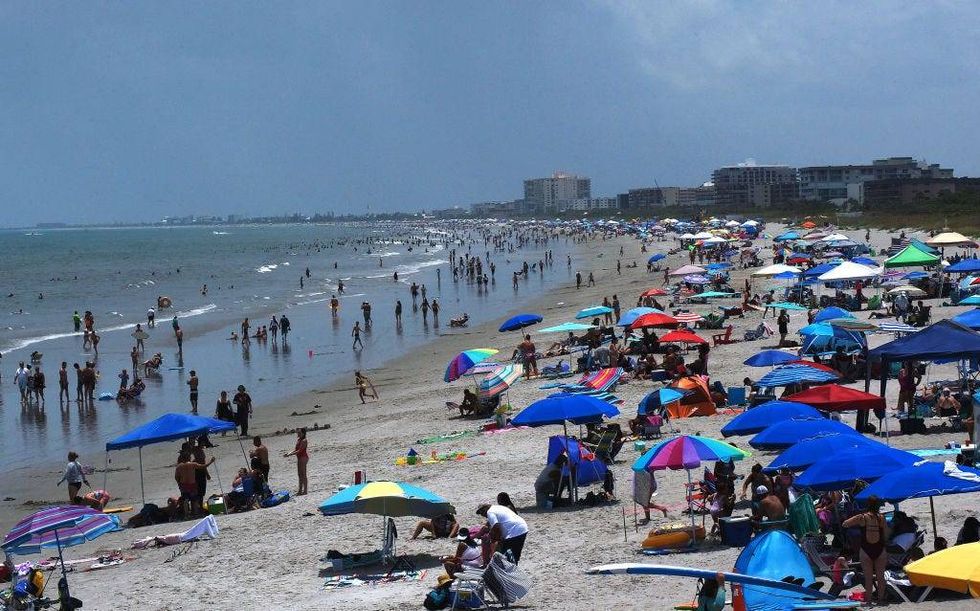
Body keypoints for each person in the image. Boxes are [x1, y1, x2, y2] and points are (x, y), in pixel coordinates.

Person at [842, 495, 888, 606]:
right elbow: (886, 535)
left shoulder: (862, 517)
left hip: (866, 550)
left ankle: (869, 601)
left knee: (868, 578)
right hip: (880, 549)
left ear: (867, 505)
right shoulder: (881, 518)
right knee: (880, 577)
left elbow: (845, 524)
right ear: (878, 505)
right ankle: (881, 600)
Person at [174, 450, 214, 517]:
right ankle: (195, 513)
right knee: (194, 499)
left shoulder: (179, 466)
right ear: (188, 457)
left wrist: (179, 483)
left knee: (186, 500)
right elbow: (203, 466)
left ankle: (187, 515)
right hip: (192, 484)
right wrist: (211, 462)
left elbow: (176, 477)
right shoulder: (192, 464)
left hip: (184, 485)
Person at [283, 428, 308, 496]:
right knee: (299, 474)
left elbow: (300, 450)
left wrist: (290, 454)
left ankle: (305, 490)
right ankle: (300, 490)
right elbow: (295, 450)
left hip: (303, 458)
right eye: (298, 432)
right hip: (299, 458)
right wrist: (288, 453)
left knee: (303, 474)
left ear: (303, 433)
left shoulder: (304, 440)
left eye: (299, 432)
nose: (298, 433)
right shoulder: (299, 440)